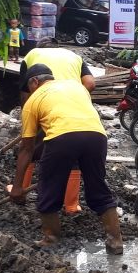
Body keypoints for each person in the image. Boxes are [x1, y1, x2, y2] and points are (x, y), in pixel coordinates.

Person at [9, 63, 122, 253]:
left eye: (28, 87)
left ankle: (51, 237)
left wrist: (18, 186)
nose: (29, 92)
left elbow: (27, 148)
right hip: (97, 136)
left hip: (62, 138)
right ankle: (116, 240)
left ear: (35, 82)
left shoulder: (32, 101)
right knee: (98, 187)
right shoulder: (76, 87)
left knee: (49, 186)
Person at [18, 44, 96, 213]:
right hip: (75, 106)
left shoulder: (31, 55)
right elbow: (90, 83)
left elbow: (25, 93)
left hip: (44, 104)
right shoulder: (74, 56)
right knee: (73, 157)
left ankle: (20, 192)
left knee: (29, 150)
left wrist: (30, 120)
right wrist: (75, 95)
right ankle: (71, 206)